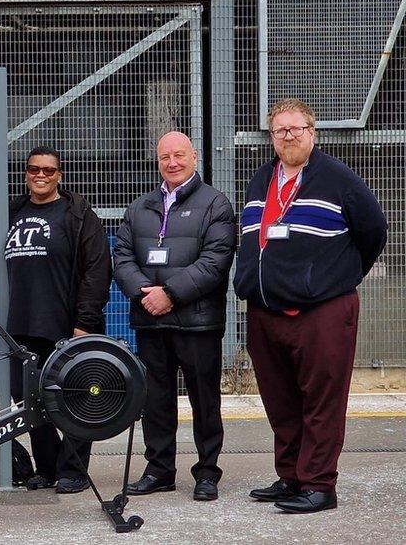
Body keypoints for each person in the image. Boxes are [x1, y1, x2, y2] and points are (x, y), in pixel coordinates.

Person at [233, 99, 387, 513]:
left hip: (322, 311)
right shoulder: (261, 178)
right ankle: (291, 477)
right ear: (271, 137)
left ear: (312, 132)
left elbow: (373, 229)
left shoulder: (337, 177)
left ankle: (319, 486)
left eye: (295, 129)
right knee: (281, 401)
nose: (288, 136)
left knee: (320, 402)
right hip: (266, 312)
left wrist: (338, 275)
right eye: (279, 130)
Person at [114, 131, 236, 501]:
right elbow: (122, 258)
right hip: (151, 322)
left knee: (204, 400)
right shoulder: (139, 208)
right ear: (158, 161)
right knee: (155, 400)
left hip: (198, 323)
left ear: (194, 156)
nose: (172, 162)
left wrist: (169, 294)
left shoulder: (216, 204)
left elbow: (215, 262)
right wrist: (143, 294)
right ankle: (159, 469)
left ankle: (207, 472)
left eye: (179, 155)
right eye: (165, 156)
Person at [4, 146, 112, 493]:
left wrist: (85, 322)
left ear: (59, 175)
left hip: (67, 326)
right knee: (28, 401)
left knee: (76, 400)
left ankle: (74, 470)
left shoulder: (77, 214)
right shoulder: (12, 212)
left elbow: (97, 270)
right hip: (20, 327)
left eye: (49, 171)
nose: (41, 175)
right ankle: (47, 468)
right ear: (25, 173)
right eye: (34, 169)